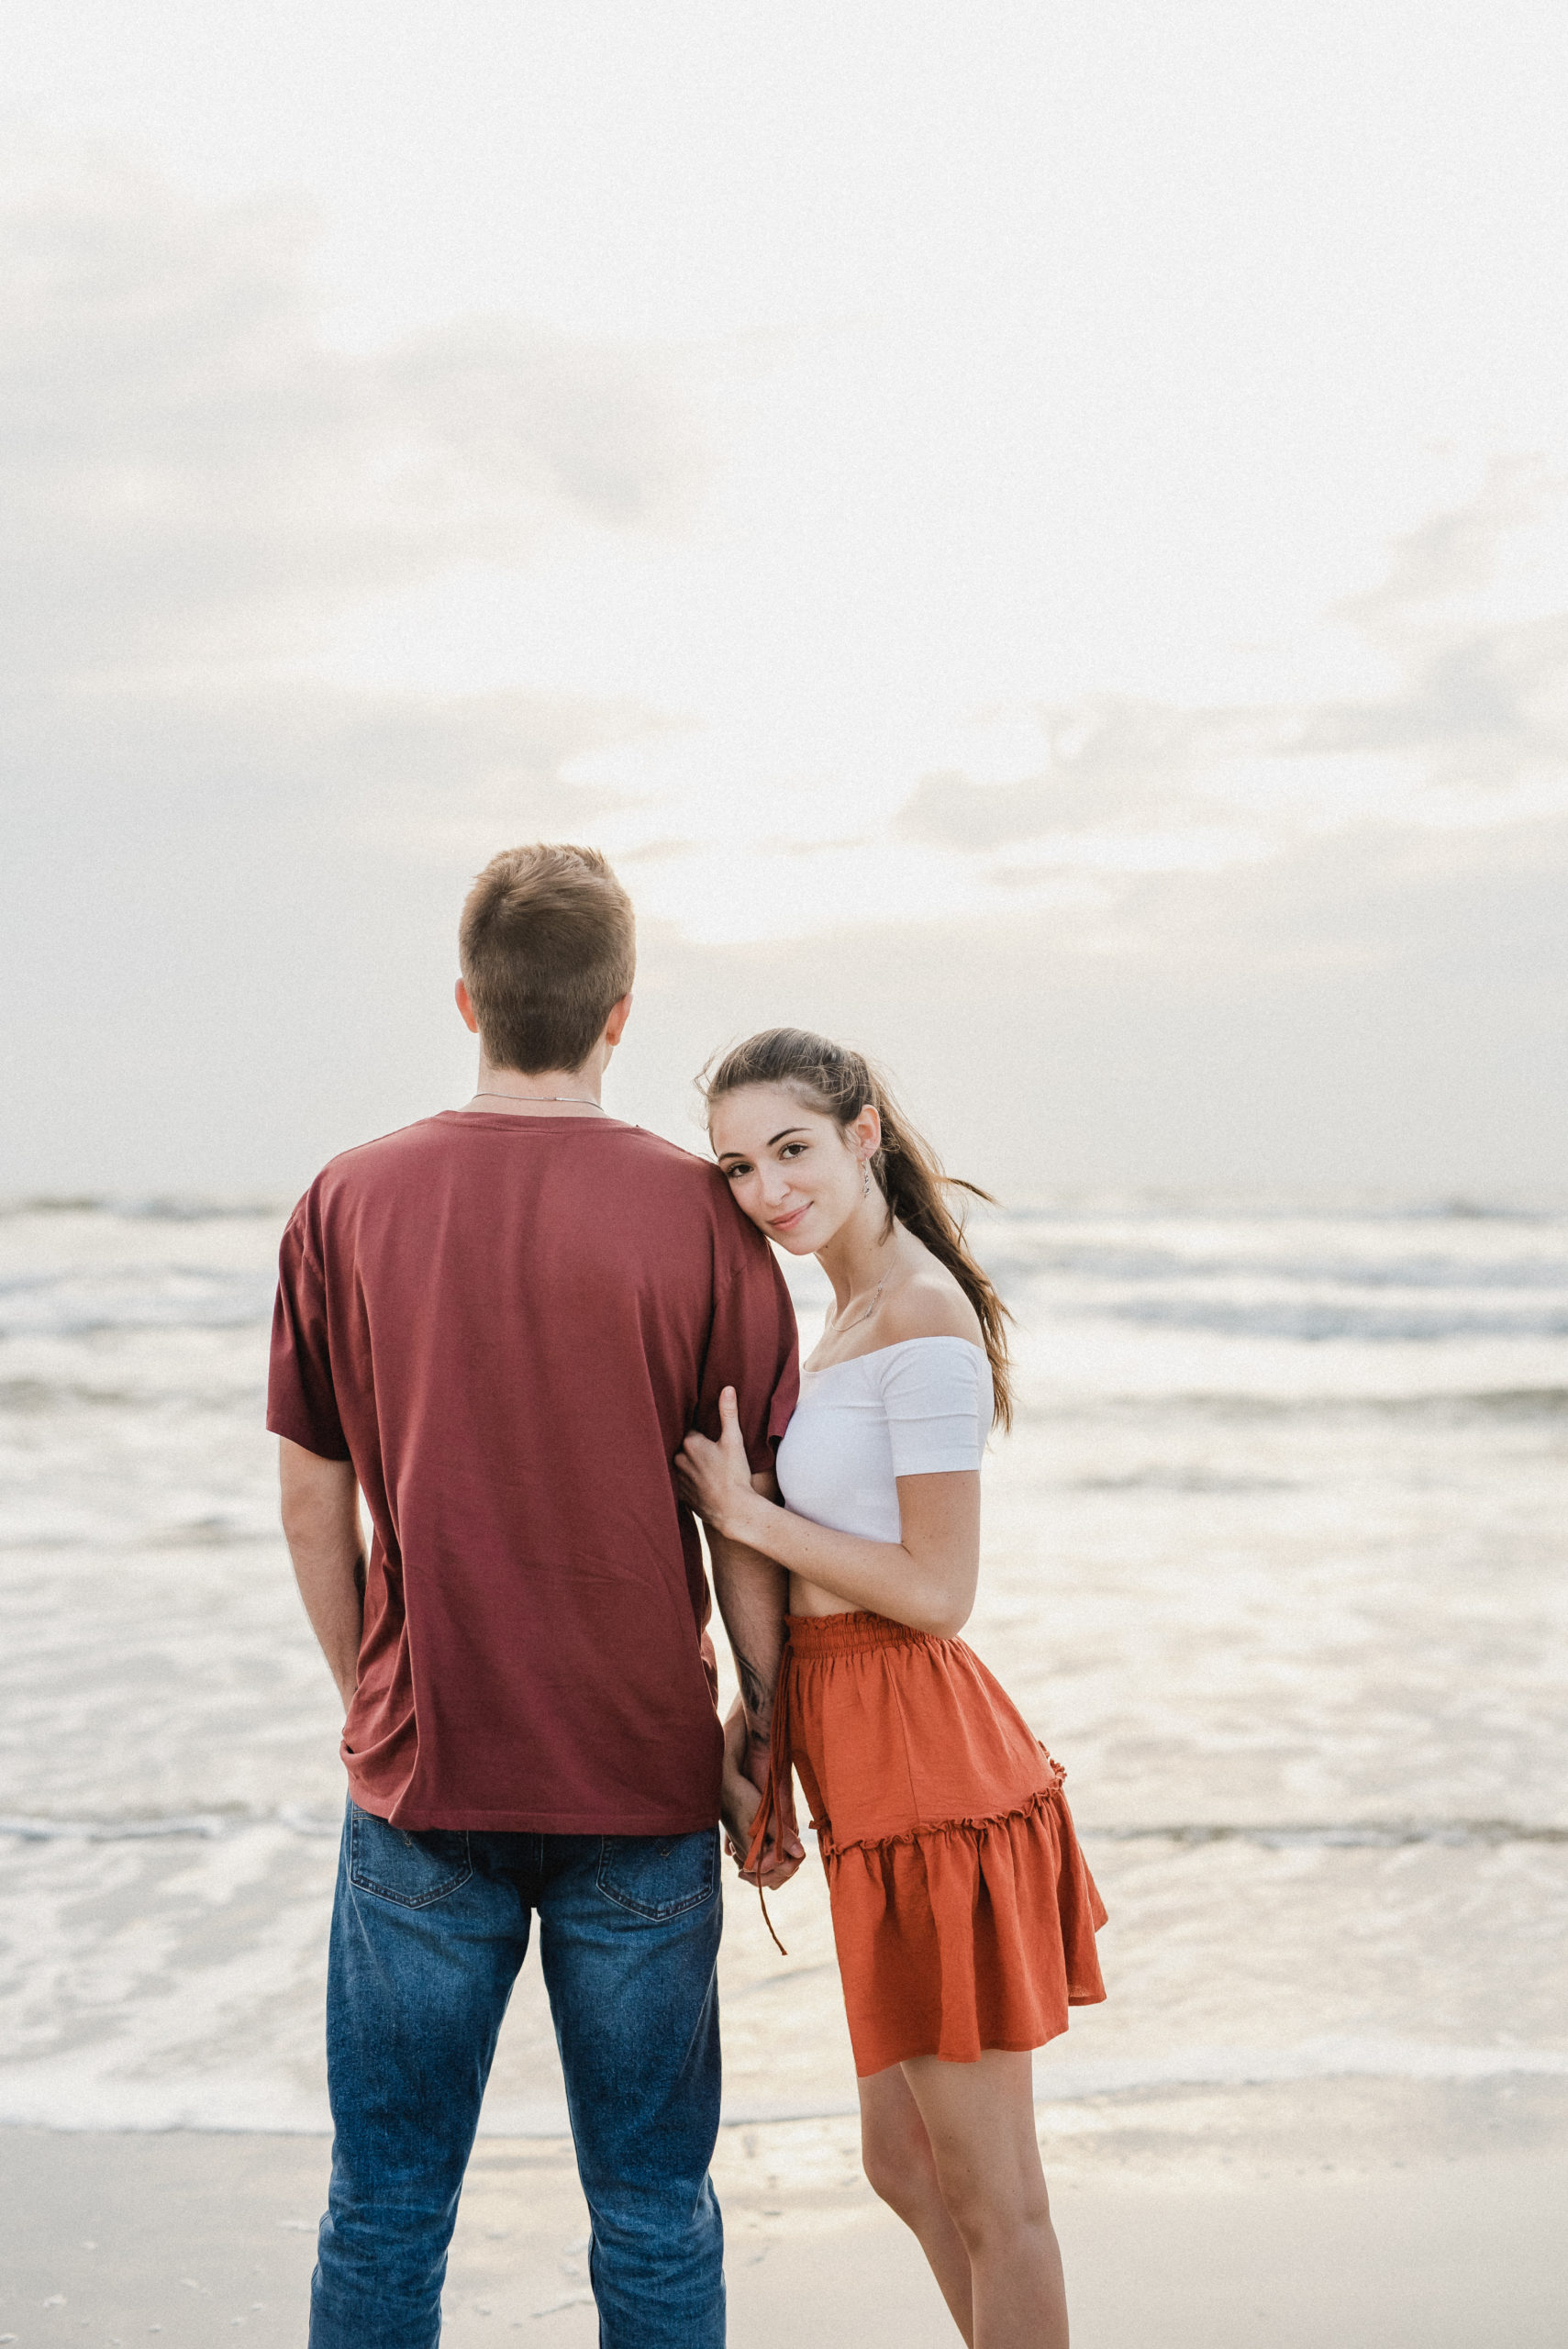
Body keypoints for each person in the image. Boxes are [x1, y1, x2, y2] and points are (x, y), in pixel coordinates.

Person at [267, 844, 803, 2349]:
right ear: (617, 1015)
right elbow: (745, 1522)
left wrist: (371, 1693)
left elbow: (315, 1497)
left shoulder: (345, 1199)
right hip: (636, 1776)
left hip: (423, 1778)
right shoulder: (707, 1218)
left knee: (384, 2204)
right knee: (649, 2203)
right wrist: (761, 1734)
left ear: (466, 1003)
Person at [677, 1028, 1106, 2349]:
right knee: (904, 2164)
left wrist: (746, 1516)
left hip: (927, 1761)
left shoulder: (919, 1315)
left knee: (993, 2192)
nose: (765, 1192)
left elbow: (933, 1588)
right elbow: (830, 1596)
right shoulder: (841, 1318)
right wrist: (764, 1723)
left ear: (863, 1134)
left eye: (790, 1151)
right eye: (738, 1166)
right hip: (862, 1751)